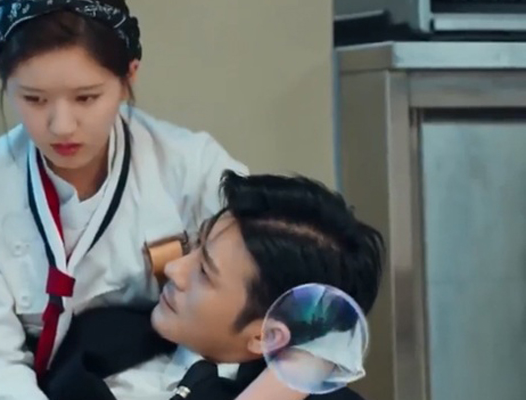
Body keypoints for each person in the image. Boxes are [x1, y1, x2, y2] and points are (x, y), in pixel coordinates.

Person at [0, 0, 294, 400]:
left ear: (128, 77)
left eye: (86, 97)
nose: (61, 125)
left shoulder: (191, 167)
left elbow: (288, 299)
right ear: (5, 85)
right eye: (34, 99)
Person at [34, 171, 385, 400]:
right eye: (197, 244)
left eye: (204, 272)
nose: (174, 269)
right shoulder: (102, 332)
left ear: (267, 335)